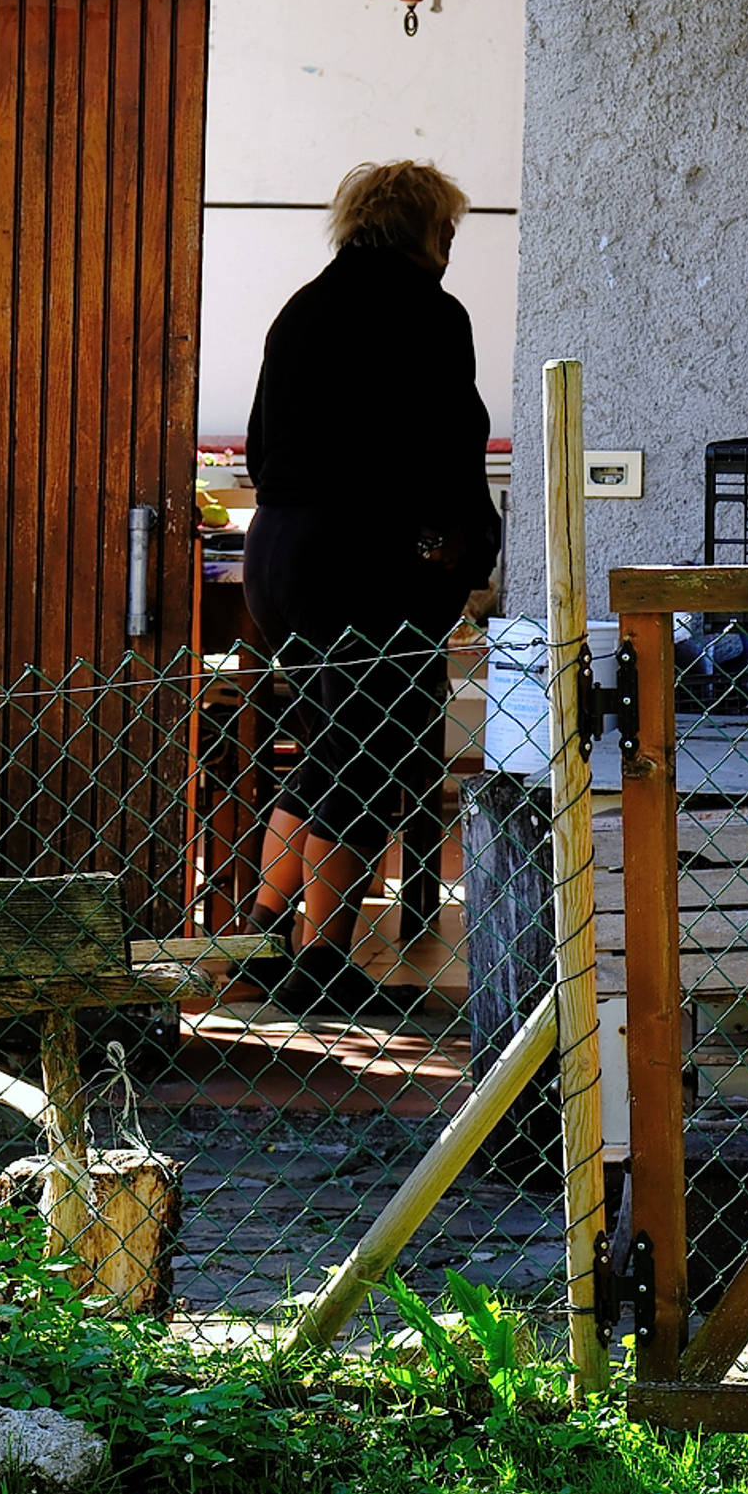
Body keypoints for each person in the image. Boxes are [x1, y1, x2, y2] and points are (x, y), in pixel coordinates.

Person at [241, 160, 501, 1010]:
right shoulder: (427, 312)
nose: (452, 243)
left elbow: (260, 445)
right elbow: (449, 445)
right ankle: (323, 962)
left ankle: (261, 937)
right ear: (421, 229)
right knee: (371, 754)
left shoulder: (302, 308)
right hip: (359, 565)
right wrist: (463, 548)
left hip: (277, 555)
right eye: (447, 227)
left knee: (324, 744)